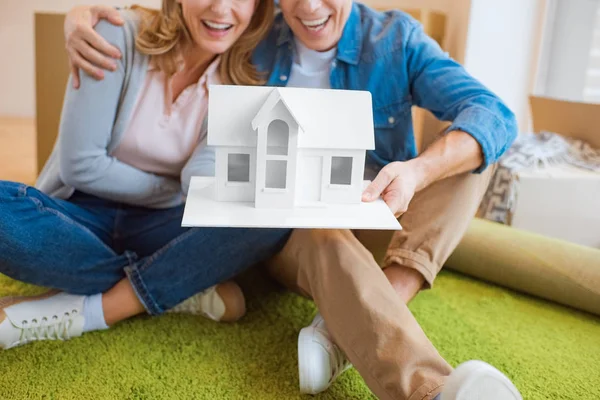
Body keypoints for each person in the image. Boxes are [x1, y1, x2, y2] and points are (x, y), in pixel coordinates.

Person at [63, 1, 523, 399]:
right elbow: (186, 22)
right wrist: (83, 16)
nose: (308, 7)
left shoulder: (394, 39)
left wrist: (416, 170)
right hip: (298, 236)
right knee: (320, 229)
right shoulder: (254, 38)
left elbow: (494, 114)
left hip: (382, 216)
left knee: (472, 158)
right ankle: (432, 392)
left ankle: (362, 313)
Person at [0, 0, 292, 351]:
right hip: (81, 214)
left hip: (162, 225)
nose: (221, 8)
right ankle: (176, 284)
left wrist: (208, 185)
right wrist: (174, 193)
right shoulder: (116, 35)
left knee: (274, 217)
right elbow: (80, 165)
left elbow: (196, 182)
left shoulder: (242, 83)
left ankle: (98, 308)